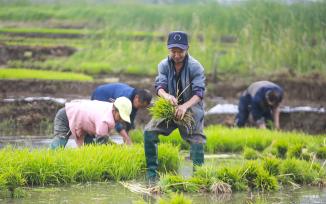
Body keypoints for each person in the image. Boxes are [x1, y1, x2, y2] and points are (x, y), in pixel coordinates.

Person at [144, 31, 206, 181]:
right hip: (169, 108)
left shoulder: (195, 67)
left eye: (180, 51)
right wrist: (167, 96)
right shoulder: (163, 65)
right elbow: (159, 87)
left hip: (191, 109)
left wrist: (184, 106)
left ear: (187, 48)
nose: (177, 55)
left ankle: (199, 178)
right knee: (149, 132)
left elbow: (199, 92)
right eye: (173, 51)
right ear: (168, 49)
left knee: (197, 140)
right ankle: (152, 174)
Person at [49, 97, 132, 149]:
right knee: (60, 142)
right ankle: (50, 160)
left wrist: (117, 146)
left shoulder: (109, 109)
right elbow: (102, 144)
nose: (121, 120)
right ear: (114, 110)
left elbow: (104, 139)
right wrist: (117, 147)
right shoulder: (104, 120)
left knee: (90, 147)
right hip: (67, 115)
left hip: (83, 123)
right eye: (120, 116)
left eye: (123, 118)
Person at [87, 83, 152, 145]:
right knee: (100, 121)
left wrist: (129, 134)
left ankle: (101, 141)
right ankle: (90, 143)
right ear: (136, 97)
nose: (140, 108)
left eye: (142, 107)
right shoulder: (124, 98)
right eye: (140, 106)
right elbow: (116, 119)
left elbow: (130, 118)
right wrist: (126, 138)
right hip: (101, 95)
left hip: (112, 94)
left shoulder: (136, 101)